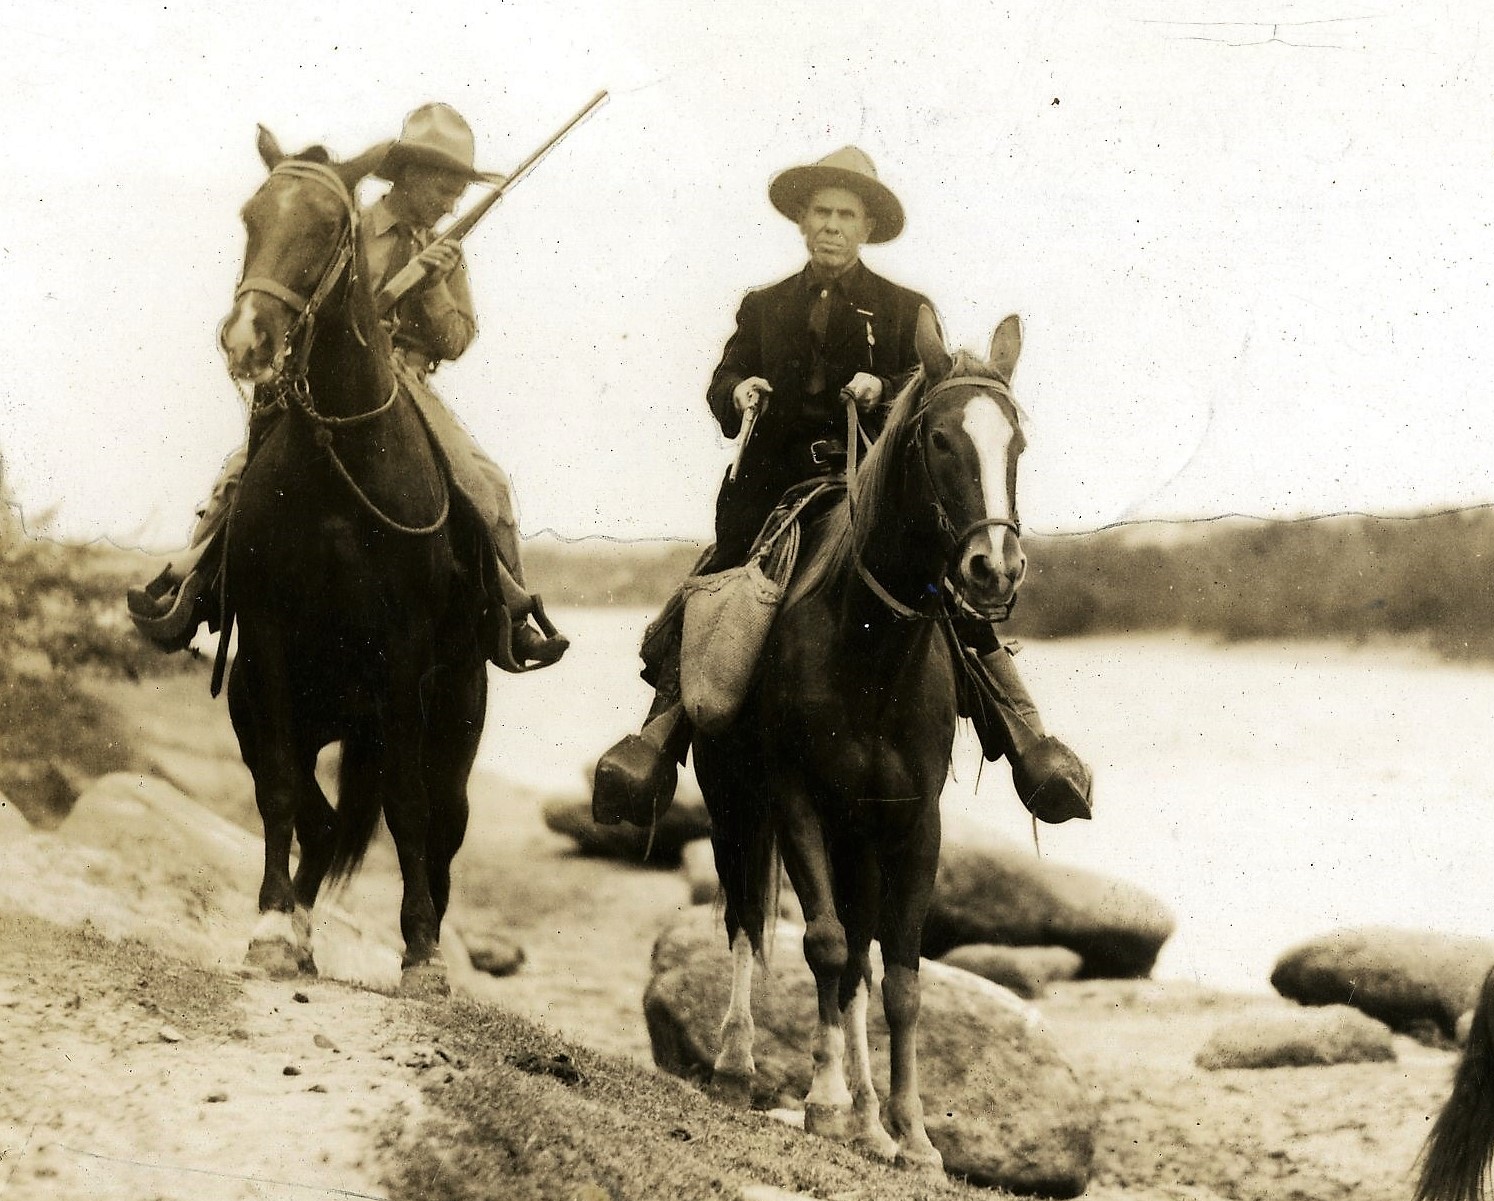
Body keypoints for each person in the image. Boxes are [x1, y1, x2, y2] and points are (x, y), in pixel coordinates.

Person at [591, 146, 1092, 828]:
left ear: (865, 228)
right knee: (718, 586)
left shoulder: (904, 308)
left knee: (942, 590)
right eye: (820, 213)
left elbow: (934, 398)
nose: (830, 226)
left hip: (867, 487)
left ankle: (1028, 740)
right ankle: (658, 734)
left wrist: (884, 387)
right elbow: (722, 374)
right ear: (802, 222)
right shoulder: (762, 306)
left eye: (845, 216)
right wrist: (737, 389)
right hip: (775, 487)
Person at [129, 103, 569, 672]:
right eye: (444, 184)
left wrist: (433, 285)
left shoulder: (445, 248)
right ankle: (191, 586)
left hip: (408, 381)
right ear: (407, 177)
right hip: (327, 378)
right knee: (240, 472)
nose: (452, 200)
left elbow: (457, 340)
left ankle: (509, 616)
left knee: (487, 483)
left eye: (459, 187)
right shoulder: (343, 223)